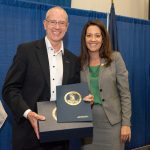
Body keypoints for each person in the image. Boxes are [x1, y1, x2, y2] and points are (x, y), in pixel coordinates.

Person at [2, 6, 80, 150]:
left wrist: (84, 101)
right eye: (53, 22)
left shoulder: (73, 60)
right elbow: (10, 89)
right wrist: (28, 113)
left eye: (61, 23)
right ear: (44, 24)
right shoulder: (26, 51)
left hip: (59, 137)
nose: (57, 27)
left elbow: (72, 95)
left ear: (67, 26)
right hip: (28, 135)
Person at [79, 19, 131, 150]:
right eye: (89, 35)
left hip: (113, 124)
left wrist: (126, 123)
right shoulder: (79, 63)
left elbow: (125, 94)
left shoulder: (115, 58)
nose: (93, 39)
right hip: (88, 124)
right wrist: (82, 100)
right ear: (84, 38)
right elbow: (74, 95)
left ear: (103, 38)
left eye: (97, 35)